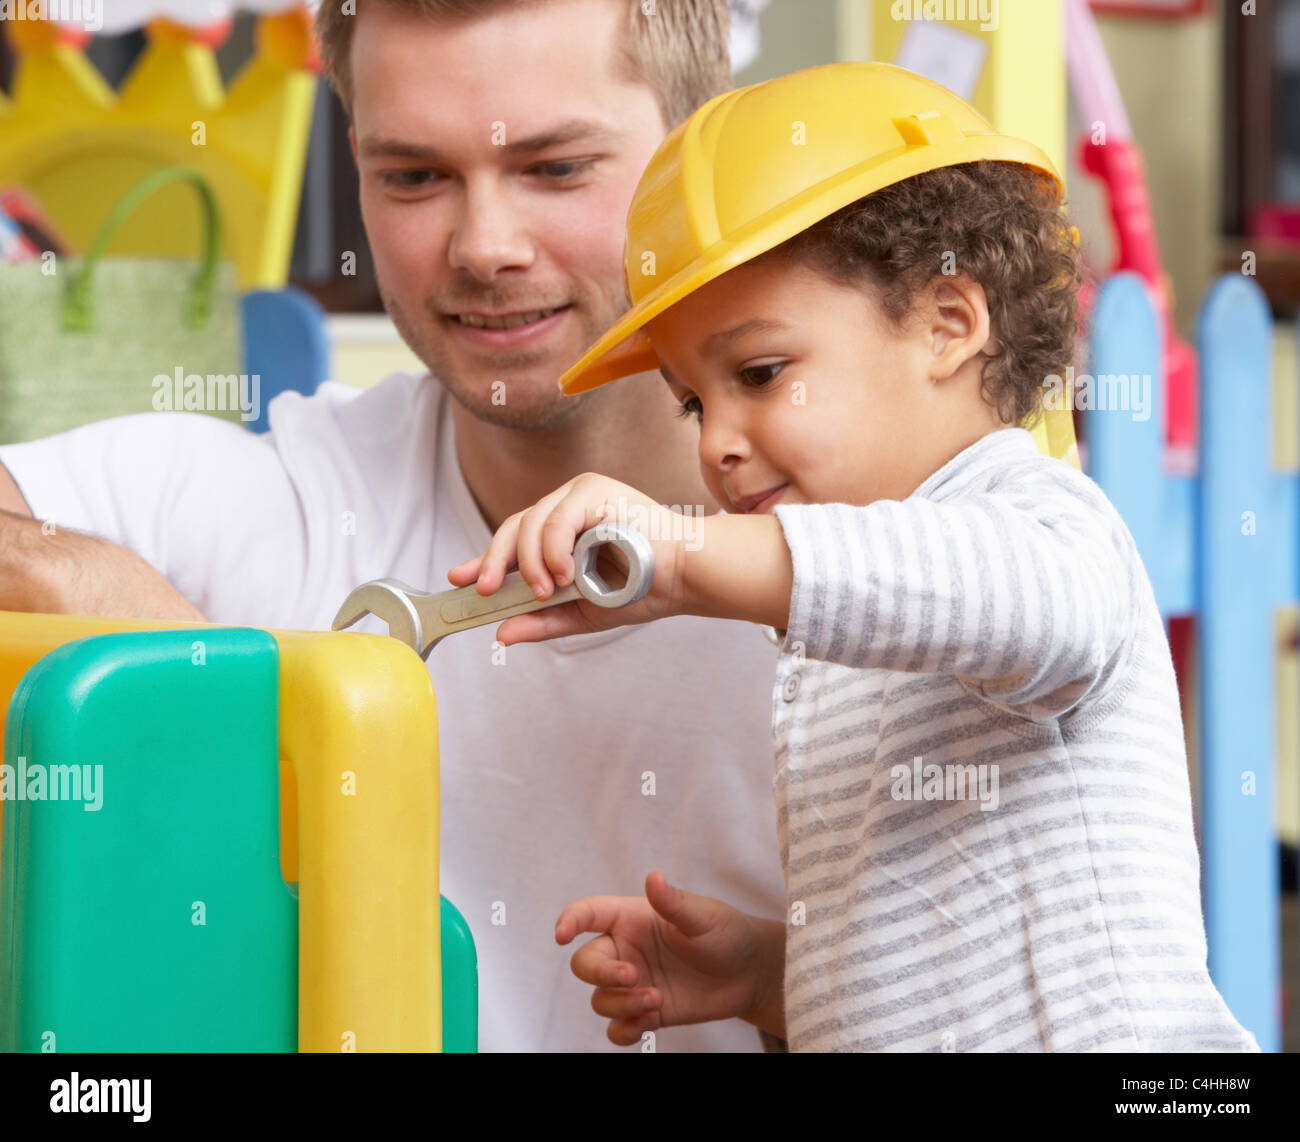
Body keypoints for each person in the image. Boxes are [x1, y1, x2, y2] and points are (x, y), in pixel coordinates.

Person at [0, 0, 788, 1052]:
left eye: (555, 168)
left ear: (701, 161)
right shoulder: (276, 494)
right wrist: (112, 605)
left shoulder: (915, 558)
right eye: (413, 176)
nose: (484, 247)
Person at [450, 62, 1262, 1052]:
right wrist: (769, 974)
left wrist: (683, 556)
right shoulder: (831, 654)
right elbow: (927, 969)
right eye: (694, 400)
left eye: (760, 373)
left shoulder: (1045, 523)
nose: (714, 443)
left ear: (947, 324)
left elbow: (986, 594)